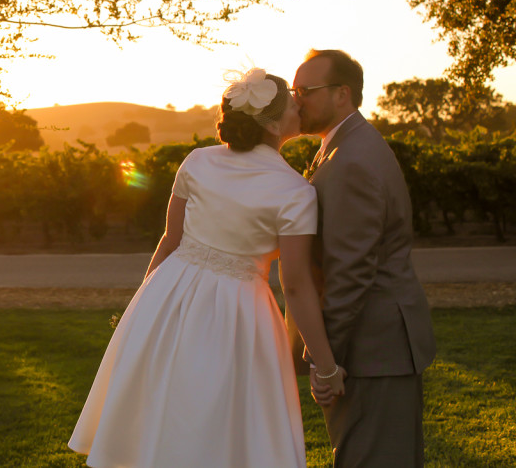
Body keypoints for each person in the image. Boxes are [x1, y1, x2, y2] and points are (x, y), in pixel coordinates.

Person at [69, 68, 344, 468]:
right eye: (291, 104)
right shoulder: (295, 192)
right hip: (237, 311)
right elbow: (297, 286)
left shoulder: (197, 161)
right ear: (271, 123)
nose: (299, 106)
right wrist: (326, 364)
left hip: (170, 294)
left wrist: (141, 309)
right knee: (220, 423)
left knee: (163, 410)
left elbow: (170, 241)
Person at [291, 50, 436, 468]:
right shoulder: (342, 147)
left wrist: (325, 361)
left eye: (305, 91)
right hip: (376, 344)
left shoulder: (352, 159)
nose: (296, 100)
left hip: (375, 348)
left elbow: (351, 271)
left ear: (342, 94)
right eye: (293, 90)